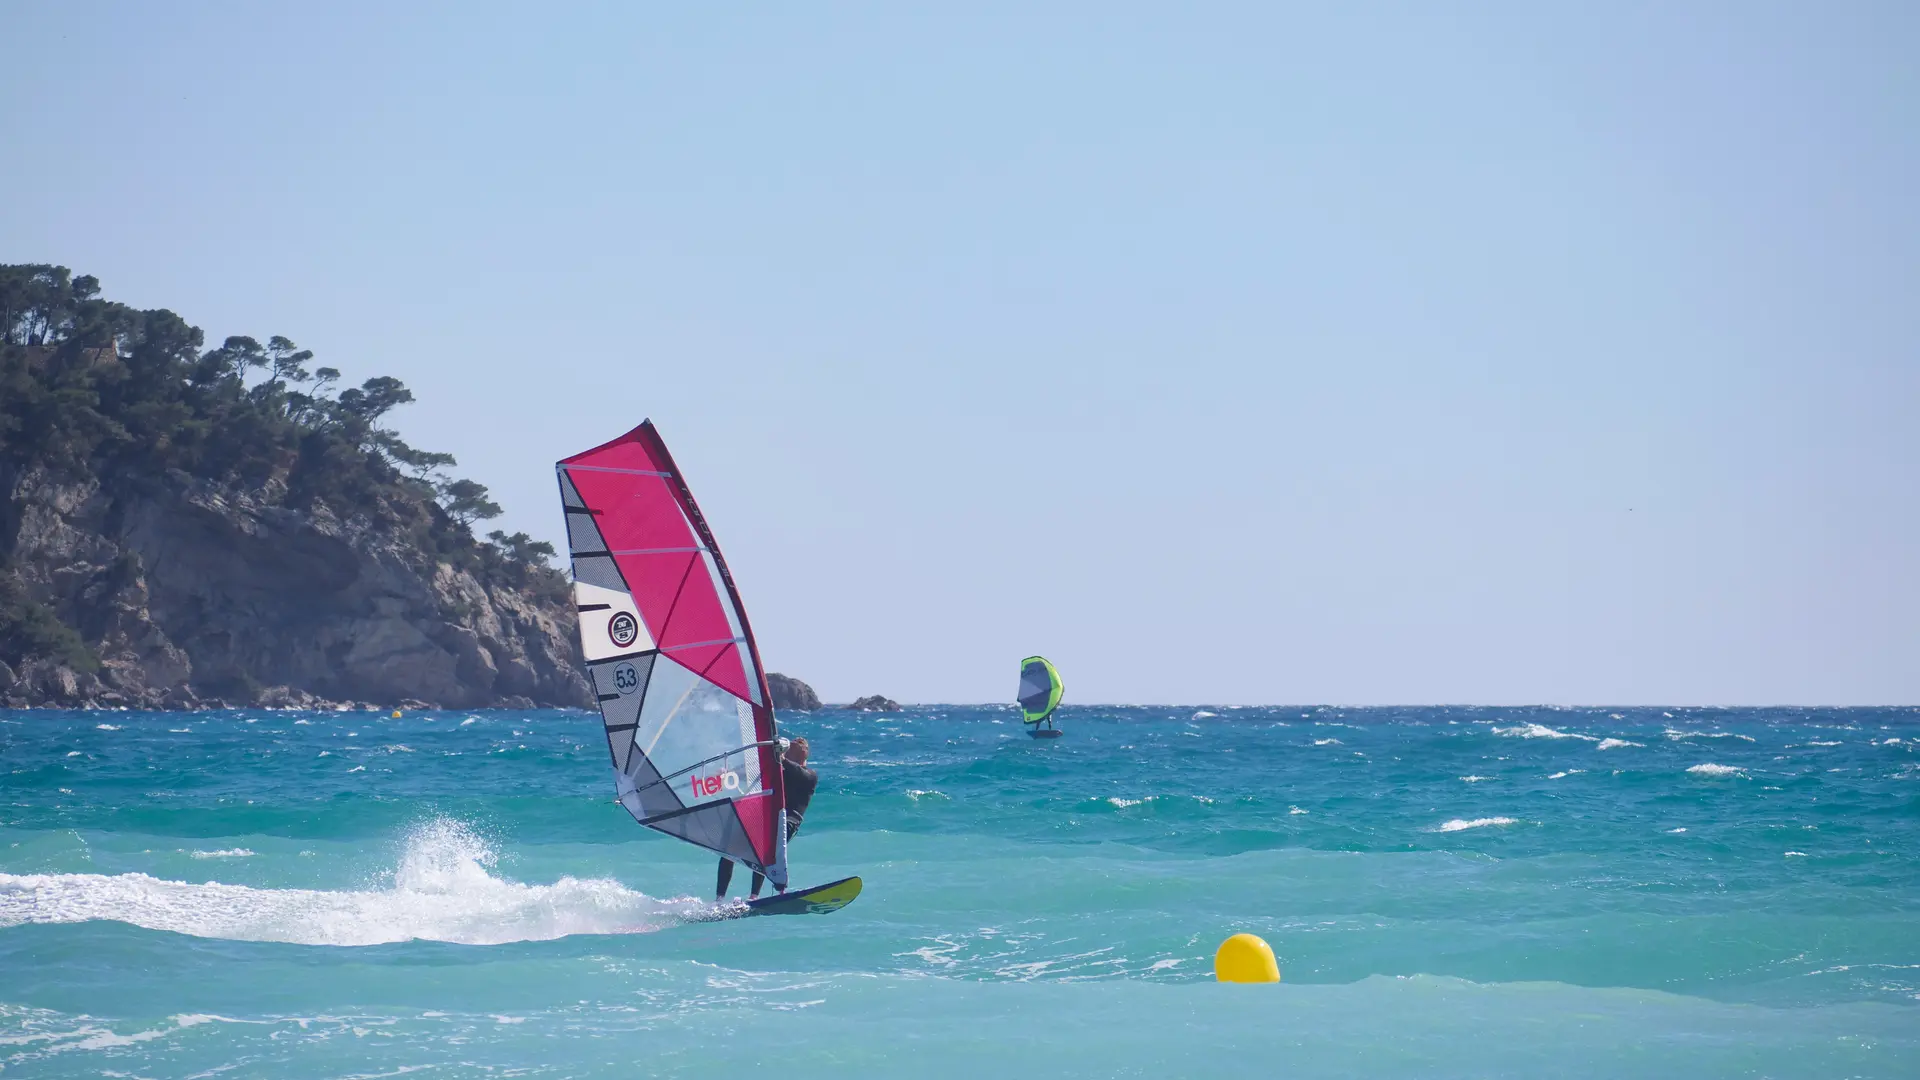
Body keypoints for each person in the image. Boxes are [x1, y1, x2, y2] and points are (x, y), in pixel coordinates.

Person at [716, 736, 818, 901]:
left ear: (804, 755)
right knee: (729, 852)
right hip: (767, 819)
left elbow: (797, 772)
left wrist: (781, 758)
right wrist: (729, 774)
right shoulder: (781, 771)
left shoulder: (810, 776)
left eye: (796, 748)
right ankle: (719, 899)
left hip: (788, 823)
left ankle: (754, 896)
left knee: (764, 852)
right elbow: (754, 773)